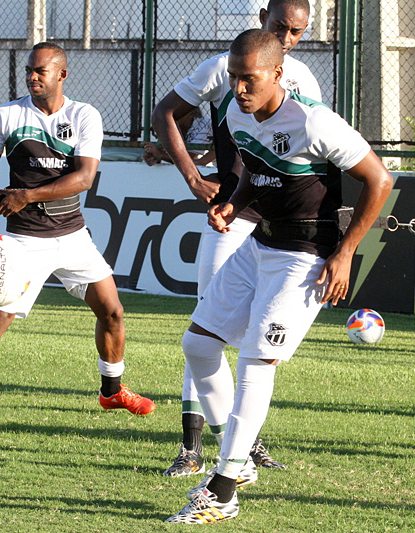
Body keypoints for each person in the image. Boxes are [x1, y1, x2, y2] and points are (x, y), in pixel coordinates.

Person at [165, 29, 393, 523]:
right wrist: (232, 204)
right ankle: (239, 455)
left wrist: (346, 252)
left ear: (277, 73)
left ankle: (223, 491)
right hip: (260, 244)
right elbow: (254, 172)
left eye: (249, 79)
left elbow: (379, 179)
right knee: (199, 346)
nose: (239, 88)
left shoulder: (315, 121)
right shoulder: (236, 113)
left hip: (306, 258)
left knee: (254, 364)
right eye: (233, 78)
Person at [0, 42, 155, 425]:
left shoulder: (85, 116)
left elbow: (84, 178)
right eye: (29, 71)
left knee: (113, 312)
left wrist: (26, 195)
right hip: (23, 241)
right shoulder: (7, 114)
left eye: (41, 71)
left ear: (61, 75)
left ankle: (112, 392)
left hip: (72, 237)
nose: (33, 77)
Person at [152, 0, 322, 479]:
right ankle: (191, 446)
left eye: (297, 31)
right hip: (231, 217)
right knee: (205, 330)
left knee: (254, 342)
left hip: (280, 227)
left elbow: (313, 154)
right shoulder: (222, 67)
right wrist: (193, 176)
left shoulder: (304, 82)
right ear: (263, 15)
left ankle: (243, 443)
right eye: (280, 26)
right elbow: (167, 112)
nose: (288, 38)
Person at [142, 108, 215, 166]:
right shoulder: (171, 123)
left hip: (205, 168)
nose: (174, 115)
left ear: (191, 114)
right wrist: (155, 157)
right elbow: (164, 151)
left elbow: (191, 157)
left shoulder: (203, 124)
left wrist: (160, 155)